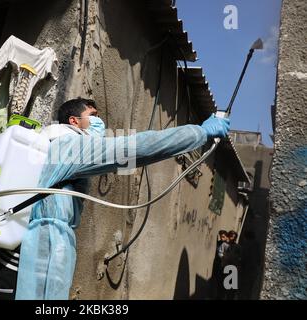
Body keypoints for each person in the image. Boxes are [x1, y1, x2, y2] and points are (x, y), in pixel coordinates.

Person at [15, 98, 230, 299]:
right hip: (43, 254)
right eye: (93, 116)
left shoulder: (52, 142)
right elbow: (135, 149)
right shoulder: (70, 145)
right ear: (74, 121)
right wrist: (199, 133)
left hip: (24, 251)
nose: (100, 122)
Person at [223, 230, 241, 300]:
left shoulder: (238, 247)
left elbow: (240, 258)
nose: (232, 238)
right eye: (231, 236)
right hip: (224, 267)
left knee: (231, 289)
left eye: (233, 237)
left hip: (233, 268)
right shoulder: (224, 245)